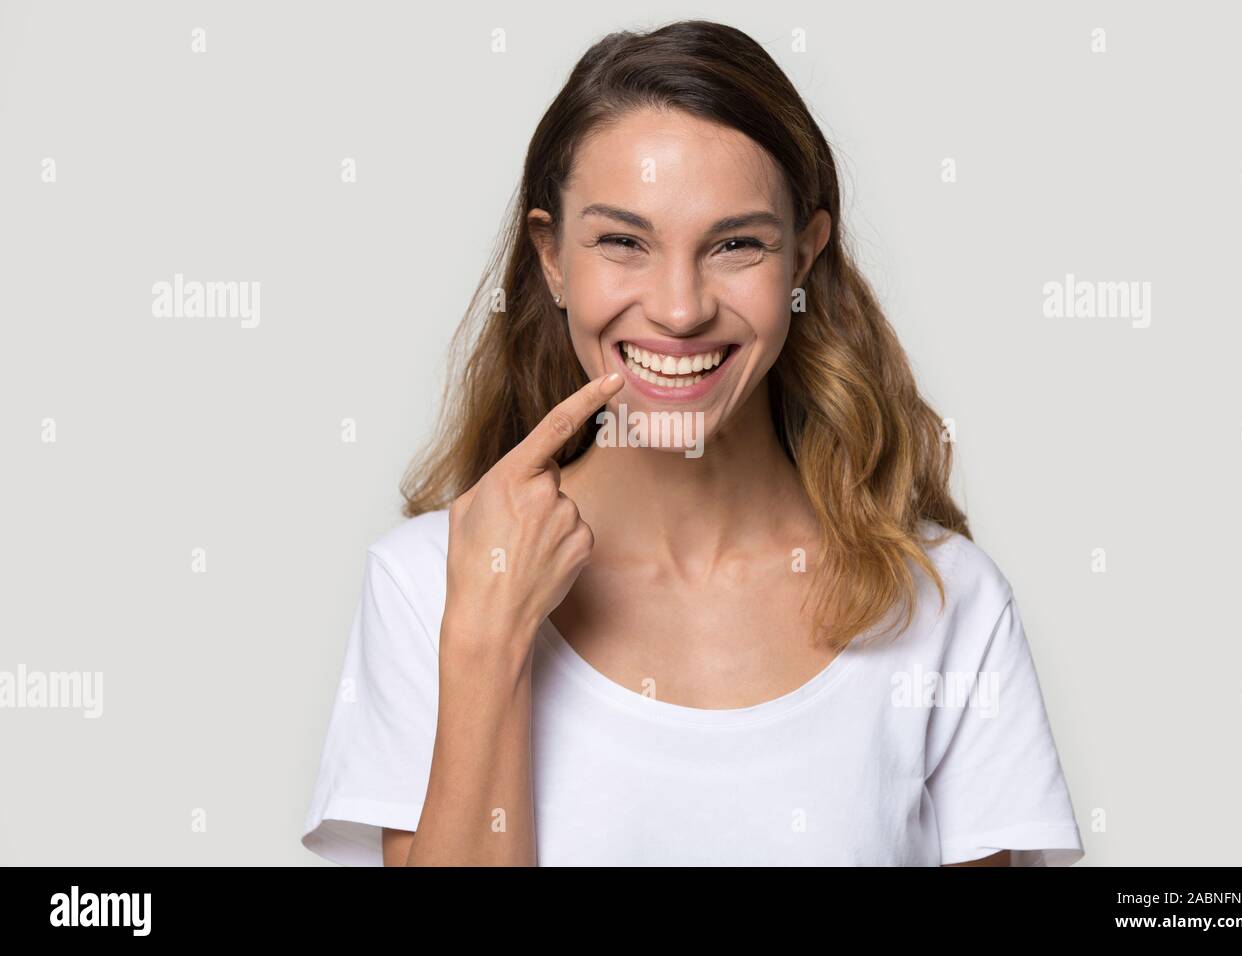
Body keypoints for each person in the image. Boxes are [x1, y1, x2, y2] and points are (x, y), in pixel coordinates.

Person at [301, 19, 1085, 867]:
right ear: (553, 259)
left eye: (736, 244)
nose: (680, 310)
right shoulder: (427, 585)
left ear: (803, 260)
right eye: (623, 243)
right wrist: (491, 635)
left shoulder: (944, 602)